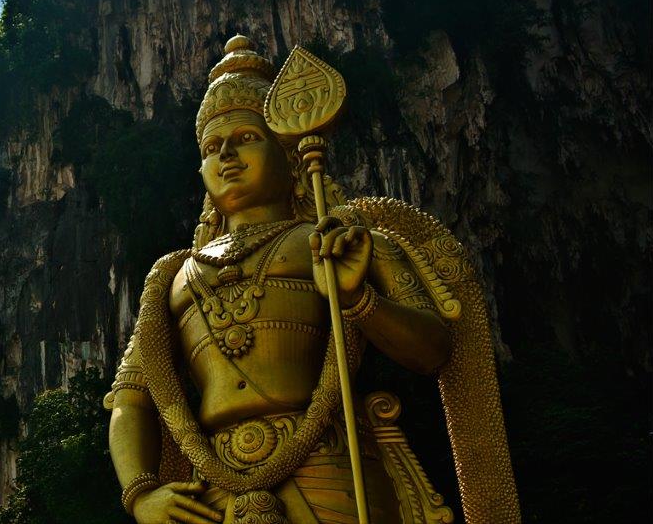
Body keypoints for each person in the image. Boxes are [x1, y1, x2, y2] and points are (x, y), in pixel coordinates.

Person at [104, 36, 517, 524]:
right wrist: (140, 493)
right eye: (213, 147)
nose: (227, 157)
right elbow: (131, 400)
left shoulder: (335, 235)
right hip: (215, 485)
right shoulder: (172, 275)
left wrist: (358, 299)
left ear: (290, 154)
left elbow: (434, 350)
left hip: (331, 465)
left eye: (247, 138)